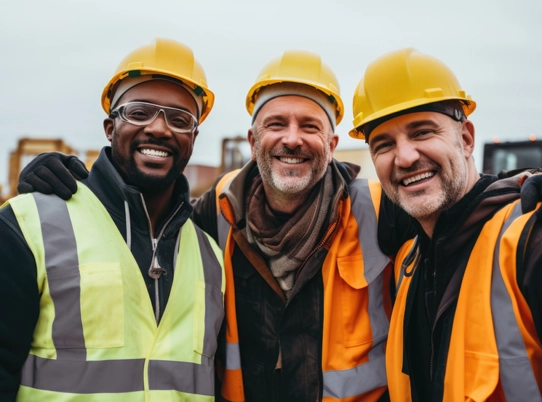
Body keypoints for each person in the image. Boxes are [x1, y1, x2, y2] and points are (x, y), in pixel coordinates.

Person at [17, 50, 416, 401]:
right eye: (276, 124)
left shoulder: (381, 212)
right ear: (253, 140)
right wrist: (65, 178)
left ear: (331, 145)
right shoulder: (219, 215)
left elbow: (446, 216)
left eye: (310, 126)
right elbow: (145, 211)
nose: (292, 139)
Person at [0, 38, 234, 401]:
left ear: (193, 137)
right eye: (139, 112)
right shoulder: (27, 226)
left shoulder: (211, 259)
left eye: (179, 119)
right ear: (110, 128)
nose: (159, 128)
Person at [349, 48, 542, 401]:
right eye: (384, 144)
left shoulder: (527, 241)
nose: (405, 157)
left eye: (422, 132)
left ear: (466, 139)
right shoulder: (407, 262)